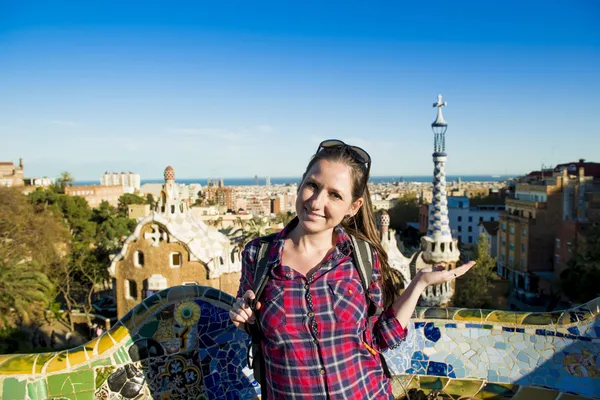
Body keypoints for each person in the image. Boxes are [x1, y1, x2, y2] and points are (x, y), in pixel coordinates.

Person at [229, 139, 475, 399]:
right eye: (312, 185)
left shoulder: (362, 256)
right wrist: (244, 318)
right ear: (300, 183)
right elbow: (254, 326)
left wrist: (420, 283)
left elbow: (381, 338)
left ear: (353, 207)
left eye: (335, 195)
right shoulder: (259, 256)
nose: (316, 202)